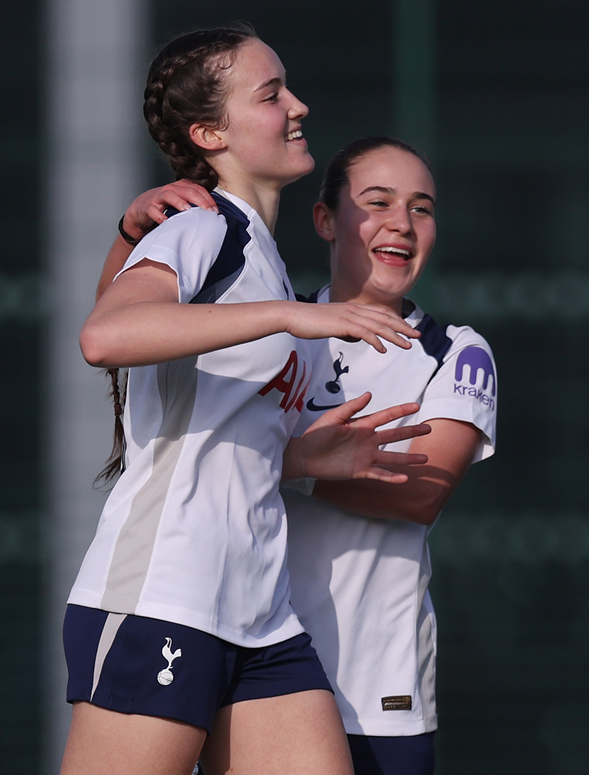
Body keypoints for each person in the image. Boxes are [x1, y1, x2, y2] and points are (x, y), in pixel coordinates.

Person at [61, 27, 436, 775]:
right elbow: (105, 335)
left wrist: (301, 456)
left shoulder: (261, 258)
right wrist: (289, 316)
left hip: (260, 614)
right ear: (210, 134)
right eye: (270, 95)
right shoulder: (205, 227)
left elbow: (212, 430)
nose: (297, 106)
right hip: (165, 595)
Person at [114, 137, 494, 775]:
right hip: (243, 663)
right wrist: (130, 236)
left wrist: (293, 466)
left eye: (422, 209)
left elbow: (421, 492)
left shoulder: (454, 351)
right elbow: (120, 337)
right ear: (325, 220)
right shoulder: (274, 332)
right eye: (378, 203)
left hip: (374, 686)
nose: (402, 223)